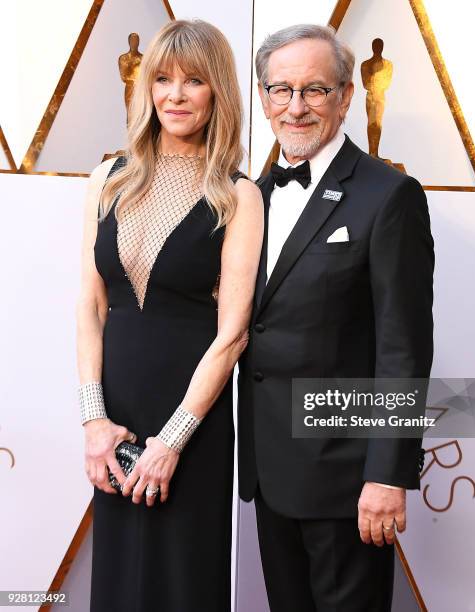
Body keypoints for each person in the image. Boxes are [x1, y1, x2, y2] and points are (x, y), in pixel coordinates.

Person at [237, 24, 434, 611]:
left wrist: (387, 474)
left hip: (350, 482)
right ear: (265, 100)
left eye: (314, 90)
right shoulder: (253, 194)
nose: (295, 107)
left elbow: (404, 348)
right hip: (270, 474)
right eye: (281, 90)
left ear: (347, 96)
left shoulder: (389, 195)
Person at [76, 20, 263, 612]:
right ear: (146, 89)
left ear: (219, 93)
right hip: (115, 419)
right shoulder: (107, 179)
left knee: (182, 582)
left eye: (194, 81)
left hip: (193, 421)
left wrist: (173, 441)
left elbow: (233, 335)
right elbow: (90, 303)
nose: (176, 95)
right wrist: (93, 421)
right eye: (163, 79)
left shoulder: (239, 194)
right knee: (119, 580)